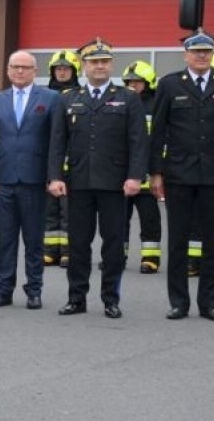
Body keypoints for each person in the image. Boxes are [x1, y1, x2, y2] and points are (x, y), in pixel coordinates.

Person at [47, 38, 147, 319]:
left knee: (113, 245)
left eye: (104, 61)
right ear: (84, 66)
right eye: (93, 62)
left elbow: (138, 141)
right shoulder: (68, 98)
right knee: (78, 244)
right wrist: (54, 176)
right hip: (78, 183)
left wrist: (135, 176)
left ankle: (110, 299)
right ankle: (76, 298)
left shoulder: (128, 97)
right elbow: (57, 142)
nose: (99, 66)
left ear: (110, 65)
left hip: (115, 184)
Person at [149, 32, 214, 322]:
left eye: (207, 52)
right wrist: (155, 172)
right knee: (178, 241)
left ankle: (209, 303)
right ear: (186, 55)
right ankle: (179, 302)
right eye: (197, 52)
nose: (202, 56)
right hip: (178, 172)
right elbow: (158, 132)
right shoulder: (169, 84)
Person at [0, 50, 59, 309]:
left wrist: (53, 177)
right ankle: (4, 289)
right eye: (15, 67)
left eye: (26, 67)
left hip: (35, 181)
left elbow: (56, 143)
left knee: (34, 240)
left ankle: (34, 289)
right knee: (7, 239)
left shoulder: (50, 99)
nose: (20, 71)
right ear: (8, 70)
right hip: (4, 181)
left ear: (35, 71)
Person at [120, 60, 163, 273]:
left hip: (146, 172)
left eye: (138, 82)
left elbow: (160, 142)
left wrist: (158, 171)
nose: (133, 86)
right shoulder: (120, 102)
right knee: (119, 219)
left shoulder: (156, 105)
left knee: (150, 219)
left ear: (148, 83)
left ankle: (150, 257)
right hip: (122, 173)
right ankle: (118, 255)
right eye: (129, 82)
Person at [42, 49, 81, 266]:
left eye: (66, 68)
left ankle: (68, 251)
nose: (62, 72)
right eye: (58, 69)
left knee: (69, 210)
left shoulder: (80, 95)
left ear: (75, 71)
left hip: (72, 162)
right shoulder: (45, 95)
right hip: (48, 160)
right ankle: (49, 250)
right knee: (49, 208)